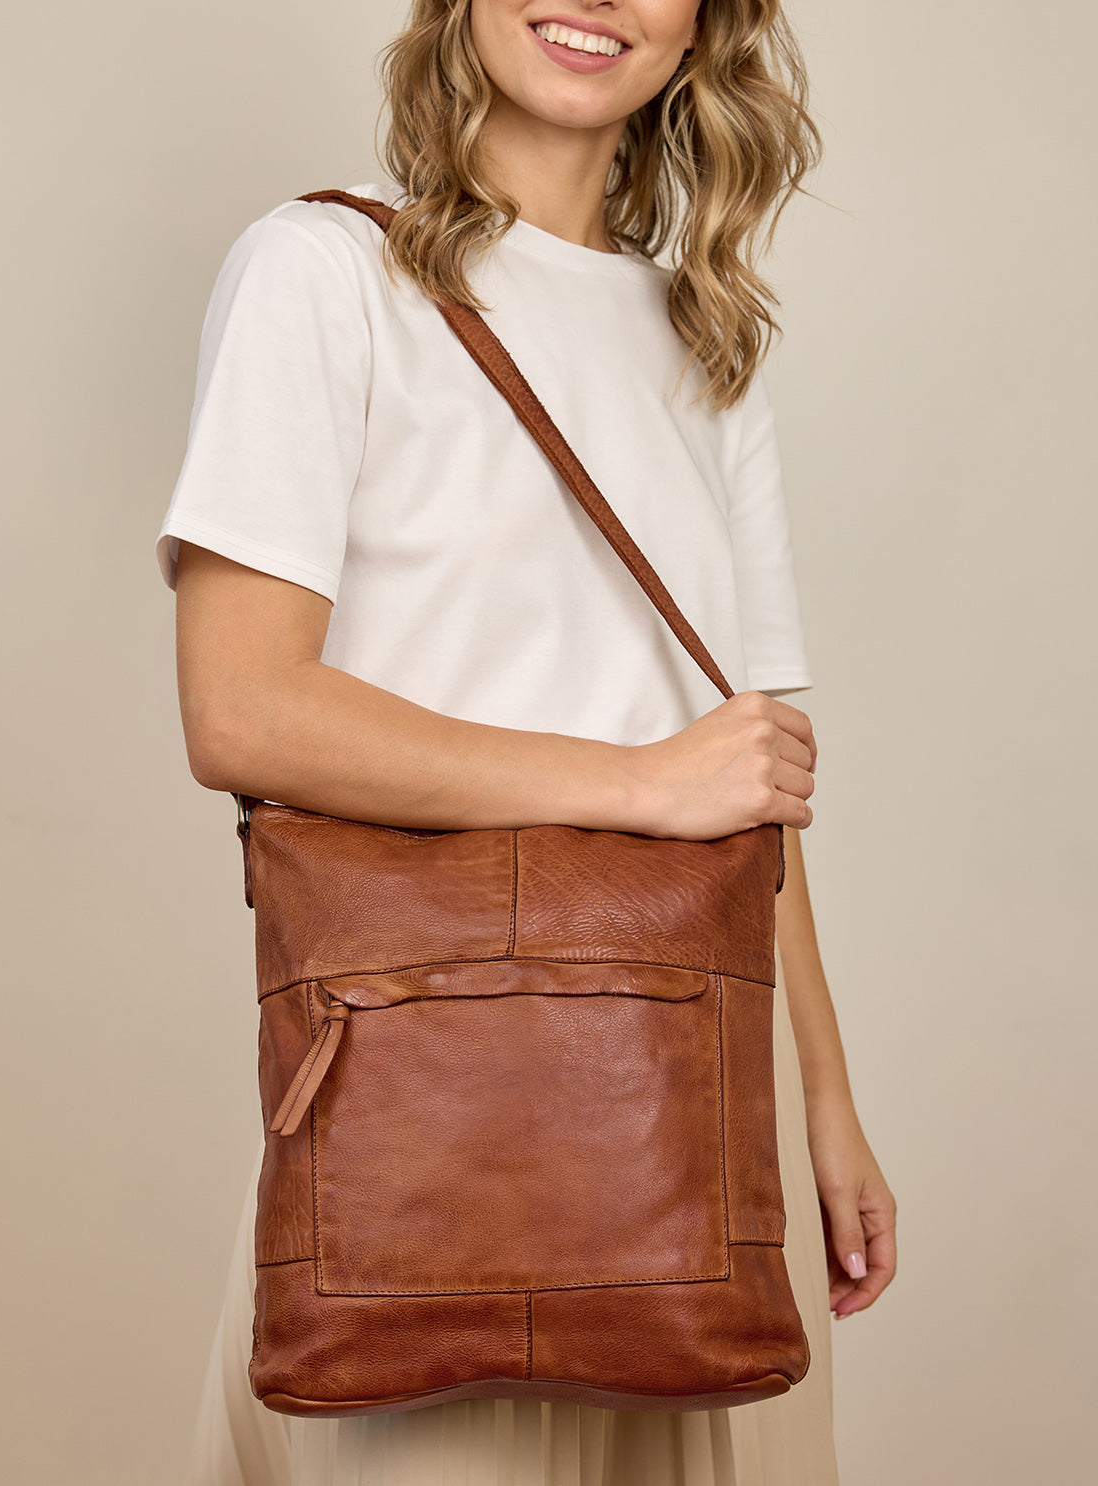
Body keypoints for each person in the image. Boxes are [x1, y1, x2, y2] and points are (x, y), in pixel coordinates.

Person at [155, 2, 898, 1481]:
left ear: (706, 25)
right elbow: (242, 707)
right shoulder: (325, 269)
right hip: (437, 1101)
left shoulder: (707, 338)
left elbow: (745, 776)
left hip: (699, 1103)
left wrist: (823, 1094)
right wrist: (637, 785)